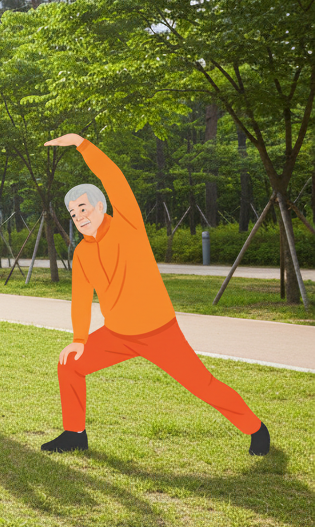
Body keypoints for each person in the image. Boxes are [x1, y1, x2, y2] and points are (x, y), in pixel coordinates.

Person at [41, 133, 269, 455]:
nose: (79, 218)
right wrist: (79, 339)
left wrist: (82, 144)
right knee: (70, 364)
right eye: (73, 214)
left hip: (160, 332)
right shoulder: (81, 254)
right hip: (117, 335)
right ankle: (75, 433)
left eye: (83, 209)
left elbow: (113, 178)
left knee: (203, 385)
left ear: (101, 206)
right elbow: (80, 300)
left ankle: (256, 428)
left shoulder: (128, 225)